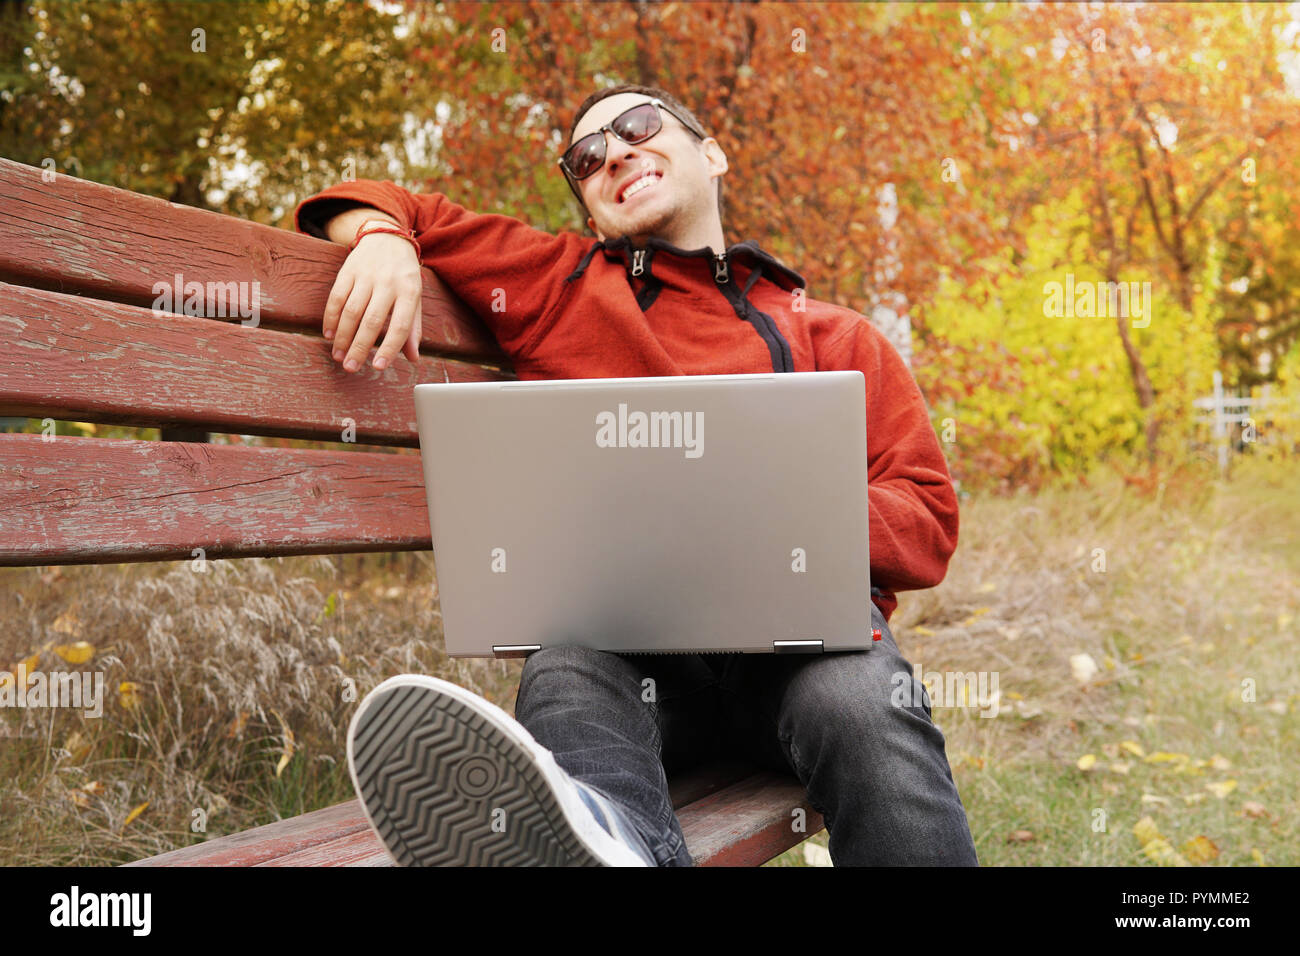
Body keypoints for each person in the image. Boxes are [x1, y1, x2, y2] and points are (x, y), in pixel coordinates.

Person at [295, 84, 978, 867]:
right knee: (565, 670)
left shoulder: (838, 336)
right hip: (635, 667)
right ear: (592, 211)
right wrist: (383, 236)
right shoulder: (561, 283)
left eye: (639, 127)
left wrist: (783, 507)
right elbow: (372, 200)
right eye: (586, 158)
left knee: (863, 706)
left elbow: (926, 520)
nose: (614, 152)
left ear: (712, 153)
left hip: (807, 663)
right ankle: (608, 844)